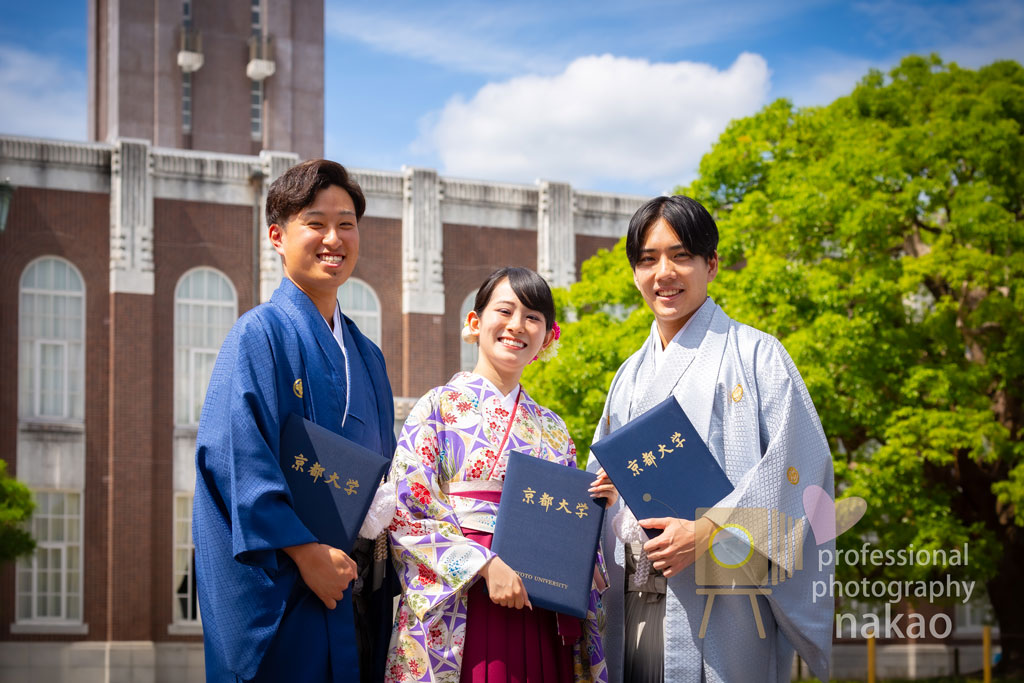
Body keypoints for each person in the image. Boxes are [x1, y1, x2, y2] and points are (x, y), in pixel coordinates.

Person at [587, 196, 835, 682]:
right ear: (634, 274)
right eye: (647, 259)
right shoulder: (629, 376)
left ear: (712, 264)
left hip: (725, 606)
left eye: (681, 256)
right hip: (636, 597)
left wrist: (709, 532)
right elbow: (607, 494)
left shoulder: (759, 356)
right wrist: (610, 496)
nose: (664, 272)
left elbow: (802, 471)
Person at [192, 159, 398, 682]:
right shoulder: (257, 335)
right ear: (278, 236)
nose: (334, 238)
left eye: (347, 223)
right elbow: (238, 459)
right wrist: (306, 553)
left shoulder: (368, 356)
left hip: (355, 590)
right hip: (289, 588)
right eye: (316, 222)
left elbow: (386, 472)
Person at [384, 267, 607, 683]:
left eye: (533, 318)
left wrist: (592, 512)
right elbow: (407, 508)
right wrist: (484, 566)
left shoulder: (553, 428)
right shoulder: (437, 407)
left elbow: (570, 522)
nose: (517, 326)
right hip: (464, 596)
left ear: (548, 337)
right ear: (475, 321)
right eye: (505, 311)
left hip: (539, 601)